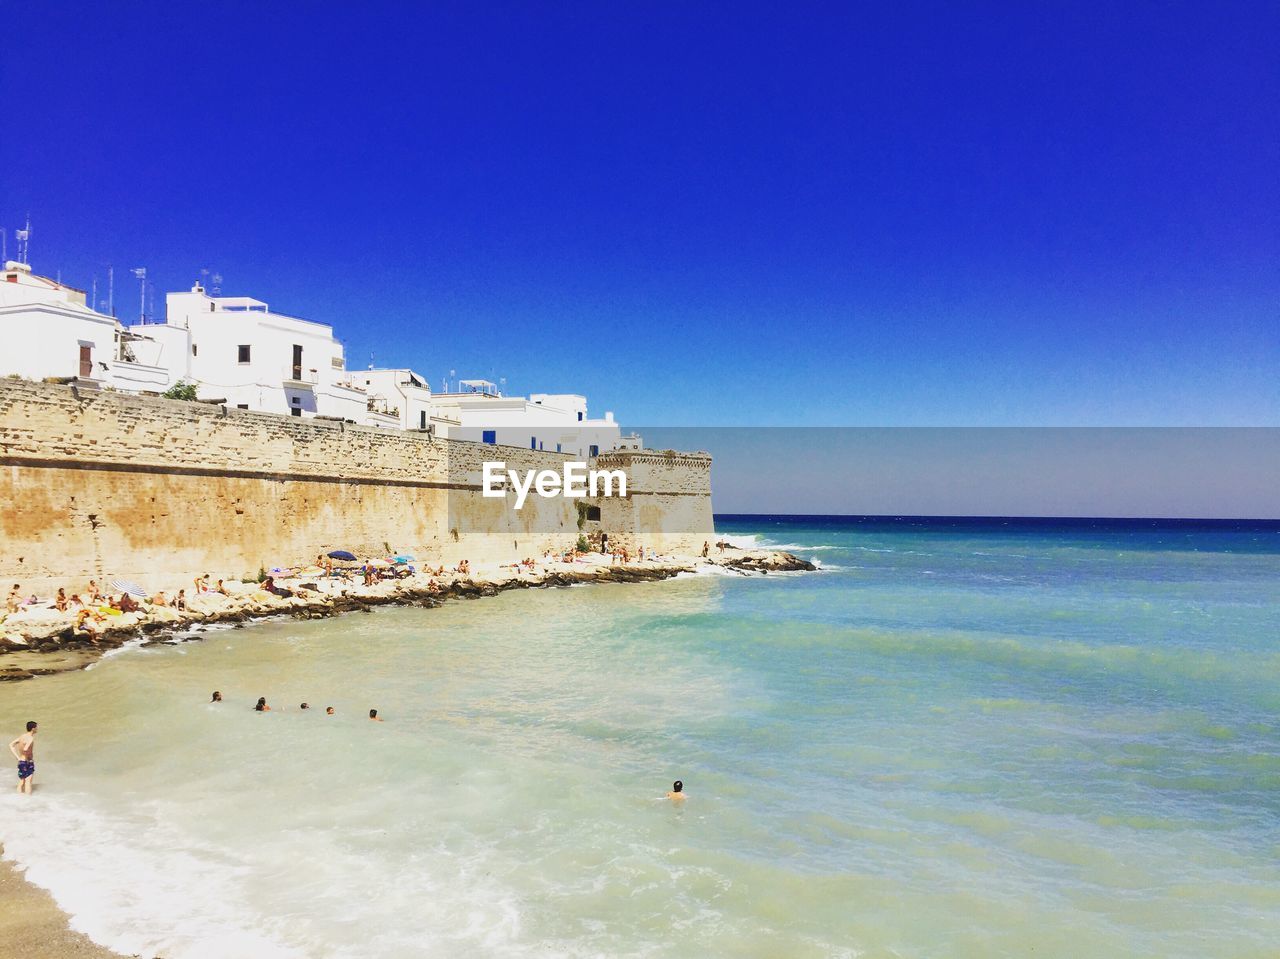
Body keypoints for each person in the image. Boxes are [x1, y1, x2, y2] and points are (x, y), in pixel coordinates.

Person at [9, 721, 37, 795]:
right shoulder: (30, 738)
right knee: (28, 782)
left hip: (21, 761)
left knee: (22, 781)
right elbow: (25, 749)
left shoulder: (22, 737)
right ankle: (28, 801)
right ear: (33, 728)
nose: (37, 729)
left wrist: (17, 757)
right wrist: (29, 759)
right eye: (36, 727)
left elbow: (11, 745)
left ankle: (19, 799)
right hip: (27, 762)